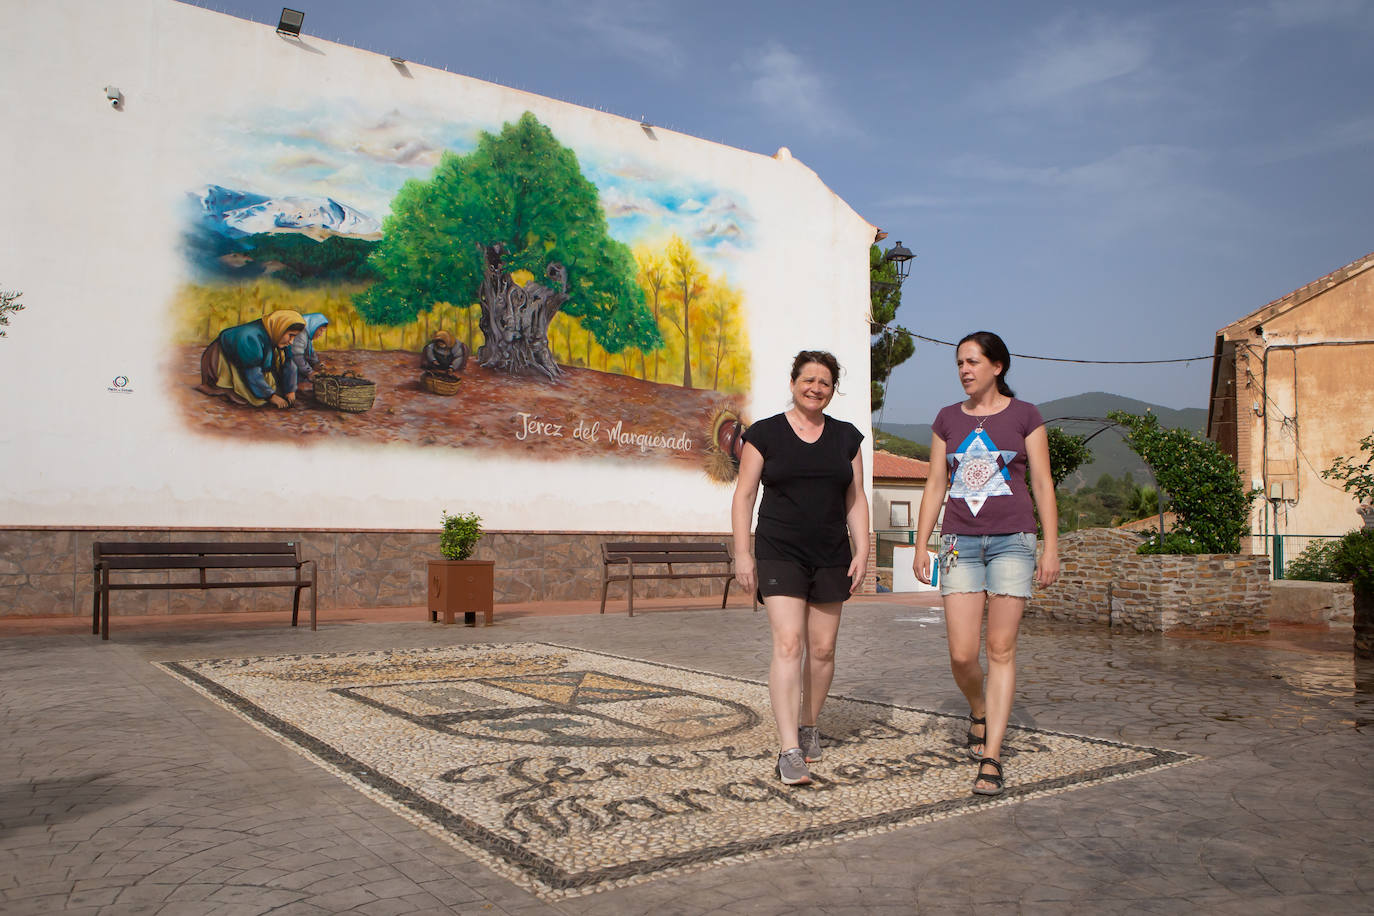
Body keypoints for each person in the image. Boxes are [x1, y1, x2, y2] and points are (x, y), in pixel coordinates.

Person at [913, 330, 1059, 797]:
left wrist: (1050, 546)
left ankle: (992, 757)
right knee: (961, 653)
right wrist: (922, 544)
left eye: (973, 362)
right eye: (959, 363)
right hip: (958, 542)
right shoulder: (946, 419)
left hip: (1013, 542)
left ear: (998, 366)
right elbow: (936, 483)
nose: (964, 370)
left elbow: (1042, 480)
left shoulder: (1025, 416)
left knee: (1000, 650)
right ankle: (978, 706)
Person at [732, 350, 870, 785]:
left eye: (825, 382)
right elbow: (744, 496)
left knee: (823, 649)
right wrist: (743, 552)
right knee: (790, 644)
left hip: (831, 553)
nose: (816, 388)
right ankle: (788, 748)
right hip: (780, 549)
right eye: (808, 379)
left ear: (832, 390)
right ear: (793, 383)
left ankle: (809, 724)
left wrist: (863, 549)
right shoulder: (765, 433)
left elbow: (856, 498)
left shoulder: (847, 437)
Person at [195, 309, 306, 408]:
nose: (291, 341)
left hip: (252, 363)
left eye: (294, 337)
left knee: (278, 388)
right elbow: (252, 372)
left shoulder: (277, 335)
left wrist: (290, 389)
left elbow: (289, 362)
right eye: (290, 335)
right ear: (280, 328)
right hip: (224, 358)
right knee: (253, 399)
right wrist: (271, 396)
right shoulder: (250, 337)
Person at [283, 312, 330, 391]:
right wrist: (309, 372)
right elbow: (296, 355)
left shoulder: (307, 334)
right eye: (321, 330)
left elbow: (310, 352)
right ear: (314, 326)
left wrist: (316, 363)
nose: (321, 334)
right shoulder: (301, 333)